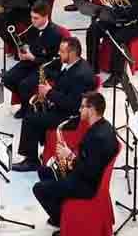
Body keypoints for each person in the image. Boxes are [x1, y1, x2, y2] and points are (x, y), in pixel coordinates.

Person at [32, 91, 118, 228]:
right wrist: (70, 158)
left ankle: (61, 221)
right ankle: (60, 204)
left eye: (82, 107)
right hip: (85, 175)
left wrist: (70, 157)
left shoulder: (98, 137)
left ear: (91, 110)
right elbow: (90, 159)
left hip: (87, 186)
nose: (79, 110)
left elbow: (90, 172)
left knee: (38, 189)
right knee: (43, 171)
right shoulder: (103, 126)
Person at [12, 37, 96, 172]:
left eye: (62, 51)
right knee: (34, 109)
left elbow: (73, 105)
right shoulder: (72, 65)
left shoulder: (81, 75)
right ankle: (42, 147)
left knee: (29, 119)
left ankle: (31, 161)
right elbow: (64, 85)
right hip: (63, 107)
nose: (59, 54)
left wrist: (49, 93)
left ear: (73, 53)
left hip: (71, 117)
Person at [0, 0, 65, 119]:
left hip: (46, 67)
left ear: (46, 17)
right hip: (30, 61)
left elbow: (54, 62)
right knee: (7, 78)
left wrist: (33, 57)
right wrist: (22, 50)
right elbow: (25, 42)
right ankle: (26, 100)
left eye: (36, 18)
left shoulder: (55, 34)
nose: (32, 21)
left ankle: (26, 108)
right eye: (31, 17)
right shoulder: (33, 27)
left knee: (24, 85)